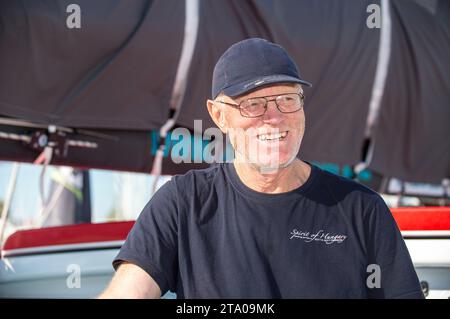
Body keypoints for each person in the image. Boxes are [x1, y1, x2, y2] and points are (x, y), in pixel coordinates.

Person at [99, 38, 423, 299]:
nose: (274, 117)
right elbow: (131, 291)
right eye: (252, 104)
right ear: (218, 116)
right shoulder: (183, 203)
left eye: (287, 99)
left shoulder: (362, 210)